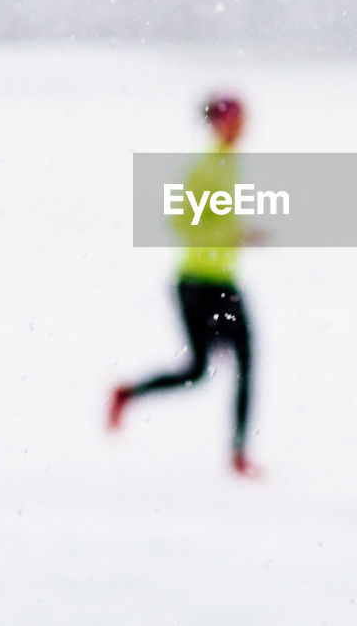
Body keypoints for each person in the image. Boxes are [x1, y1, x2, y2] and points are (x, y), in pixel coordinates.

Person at [108, 94, 262, 476]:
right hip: (200, 284)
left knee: (210, 368)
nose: (244, 126)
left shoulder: (228, 165)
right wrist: (232, 233)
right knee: (211, 369)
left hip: (219, 281)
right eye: (238, 119)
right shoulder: (207, 168)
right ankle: (238, 455)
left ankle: (129, 394)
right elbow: (180, 221)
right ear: (221, 123)